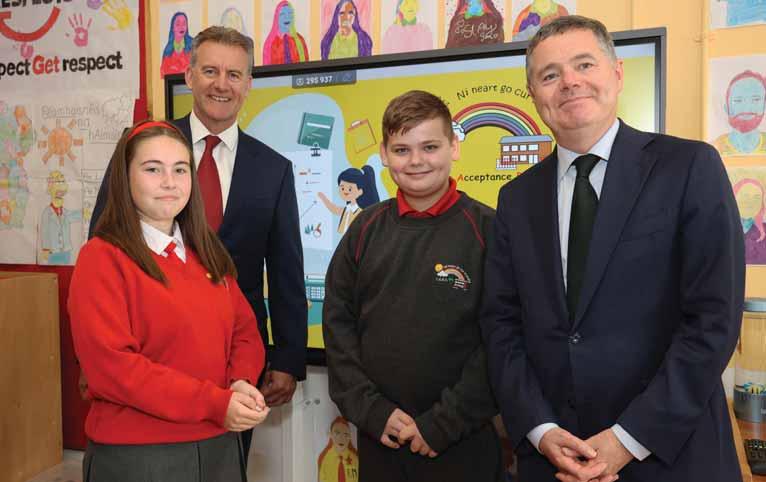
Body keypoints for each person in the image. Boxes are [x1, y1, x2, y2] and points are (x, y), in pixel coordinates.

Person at [480, 15, 745, 482]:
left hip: (670, 456)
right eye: (550, 74)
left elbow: (713, 319)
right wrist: (540, 429)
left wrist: (627, 438)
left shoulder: (689, 167)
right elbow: (501, 325)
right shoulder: (515, 199)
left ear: (617, 73)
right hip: (555, 459)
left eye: (584, 64)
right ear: (533, 94)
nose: (569, 82)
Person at [89, 26, 308, 461]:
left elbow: (286, 270)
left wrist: (287, 358)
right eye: (209, 71)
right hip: (146, 359)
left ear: (248, 84)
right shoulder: (141, 148)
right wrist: (92, 359)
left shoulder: (274, 168)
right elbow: (104, 236)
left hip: (236, 366)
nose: (221, 84)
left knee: (223, 464)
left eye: (234, 74)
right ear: (188, 76)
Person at [69, 120, 269, 482]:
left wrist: (240, 380)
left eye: (180, 169)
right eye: (152, 169)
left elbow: (244, 330)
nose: (169, 182)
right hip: (141, 456)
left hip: (219, 444)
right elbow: (114, 369)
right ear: (124, 178)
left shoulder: (206, 253)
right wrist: (214, 403)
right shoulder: (102, 258)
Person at [323, 90, 502, 482]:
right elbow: (338, 327)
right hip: (382, 439)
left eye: (430, 147)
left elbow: (502, 339)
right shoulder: (364, 230)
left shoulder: (490, 231)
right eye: (402, 150)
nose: (416, 161)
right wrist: (372, 411)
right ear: (384, 155)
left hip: (463, 440)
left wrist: (444, 422)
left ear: (454, 147)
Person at [713, 70, 766, 156]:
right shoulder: (715, 148)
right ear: (727, 108)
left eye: (756, 100)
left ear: (764, 106)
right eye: (738, 100)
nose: (746, 108)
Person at [317, 165, 380, 234]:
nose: (345, 192)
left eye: (350, 189)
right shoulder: (348, 209)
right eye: (342, 188)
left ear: (360, 191)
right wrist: (323, 197)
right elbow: (335, 209)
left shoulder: (360, 213)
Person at [263, 1, 309, 65]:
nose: (287, 17)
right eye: (282, 14)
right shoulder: (270, 43)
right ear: (277, 17)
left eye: (290, 14)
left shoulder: (300, 40)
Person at [317, 417, 360, 482]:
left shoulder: (355, 458)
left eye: (346, 435)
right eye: (337, 433)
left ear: (350, 437)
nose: (341, 438)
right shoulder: (325, 458)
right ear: (330, 434)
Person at [160, 11, 193, 77]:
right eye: (178, 24)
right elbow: (163, 73)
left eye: (184, 24)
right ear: (173, 28)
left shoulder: (192, 45)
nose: (181, 27)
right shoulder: (168, 49)